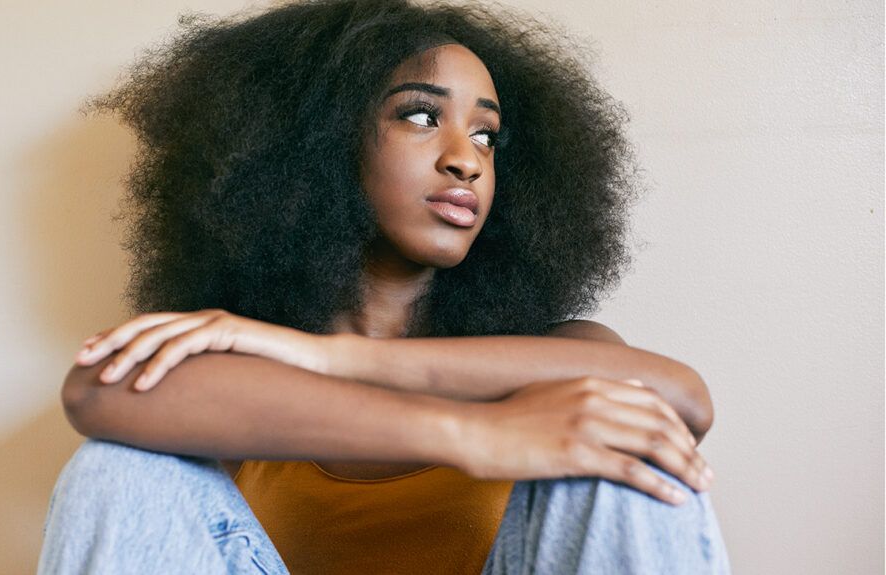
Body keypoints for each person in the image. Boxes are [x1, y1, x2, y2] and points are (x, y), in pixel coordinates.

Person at [38, 0, 732, 572]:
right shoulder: (239, 378)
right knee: (118, 470)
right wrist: (476, 435)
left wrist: (337, 358)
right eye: (421, 116)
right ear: (319, 144)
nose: (465, 160)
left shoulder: (548, 355)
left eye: (487, 136)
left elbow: (681, 396)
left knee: (623, 440)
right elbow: (96, 392)